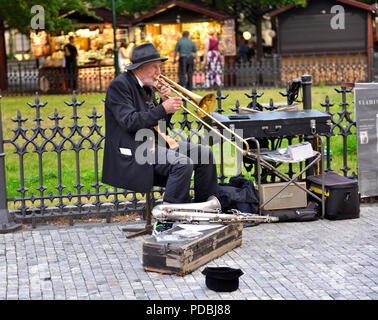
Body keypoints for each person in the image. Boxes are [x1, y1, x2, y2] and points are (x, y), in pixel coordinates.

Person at [102, 42, 218, 204]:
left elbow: (158, 126)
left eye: (159, 67)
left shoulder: (147, 87)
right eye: (154, 67)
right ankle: (167, 216)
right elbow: (130, 122)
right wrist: (163, 109)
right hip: (133, 149)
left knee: (204, 154)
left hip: (152, 143)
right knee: (182, 164)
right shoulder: (120, 86)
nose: (159, 72)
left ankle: (204, 207)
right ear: (139, 68)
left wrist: (164, 105)